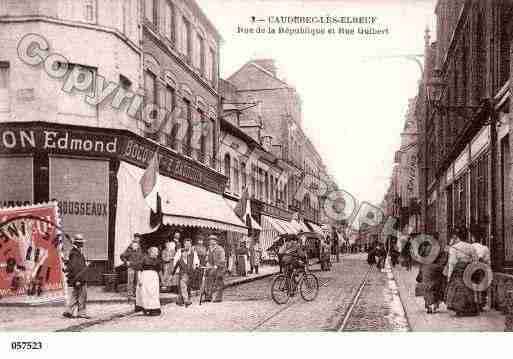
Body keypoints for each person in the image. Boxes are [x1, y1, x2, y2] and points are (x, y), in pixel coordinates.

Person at [446, 227, 479, 317]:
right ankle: (469, 307)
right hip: (468, 268)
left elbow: (452, 262)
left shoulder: (454, 248)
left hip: (458, 269)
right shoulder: (471, 246)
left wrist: (449, 275)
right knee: (468, 287)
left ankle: (460, 308)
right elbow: (476, 259)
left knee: (458, 288)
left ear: (457, 237)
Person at [63, 234, 90, 319]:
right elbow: (75, 268)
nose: (83, 244)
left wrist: (85, 264)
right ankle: (81, 313)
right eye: (81, 243)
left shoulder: (76, 252)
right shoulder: (75, 253)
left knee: (75, 295)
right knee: (82, 296)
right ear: (78, 243)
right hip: (79, 277)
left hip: (79, 277)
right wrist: (77, 280)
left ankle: (69, 311)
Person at [419, 242, 448, 314]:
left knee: (428, 288)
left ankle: (429, 305)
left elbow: (420, 276)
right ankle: (434, 305)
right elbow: (444, 270)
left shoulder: (424, 265)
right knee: (440, 282)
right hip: (433, 286)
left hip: (425, 286)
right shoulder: (436, 267)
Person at [135, 247, 162, 316]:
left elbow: (159, 270)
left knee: (154, 294)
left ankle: (154, 309)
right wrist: (139, 279)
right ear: (151, 252)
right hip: (145, 277)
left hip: (154, 278)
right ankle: (146, 308)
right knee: (145, 293)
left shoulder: (158, 260)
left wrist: (162, 280)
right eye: (156, 252)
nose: (157, 253)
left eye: (157, 252)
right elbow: (139, 269)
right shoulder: (144, 258)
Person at [172, 238, 199, 307]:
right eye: (186, 244)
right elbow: (176, 260)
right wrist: (177, 271)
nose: (187, 245)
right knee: (182, 285)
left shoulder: (193, 252)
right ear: (184, 244)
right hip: (182, 271)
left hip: (190, 271)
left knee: (188, 285)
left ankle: (186, 299)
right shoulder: (180, 251)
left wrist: (196, 265)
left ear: (191, 244)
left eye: (189, 244)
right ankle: (182, 300)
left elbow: (196, 260)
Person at [469, 225, 491, 311]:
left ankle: (475, 303)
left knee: (473, 286)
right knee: (481, 286)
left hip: (472, 269)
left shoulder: (470, 247)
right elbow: (488, 261)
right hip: (483, 270)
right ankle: (481, 303)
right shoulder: (485, 248)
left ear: (472, 238)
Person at [205, 235, 226, 303]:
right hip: (212, 267)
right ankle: (208, 296)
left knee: (219, 282)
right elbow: (207, 258)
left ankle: (218, 298)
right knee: (209, 281)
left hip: (220, 268)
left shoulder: (220, 249)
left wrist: (217, 265)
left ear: (216, 241)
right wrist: (207, 263)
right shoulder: (209, 249)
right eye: (210, 240)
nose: (211, 241)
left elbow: (222, 259)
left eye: (213, 240)